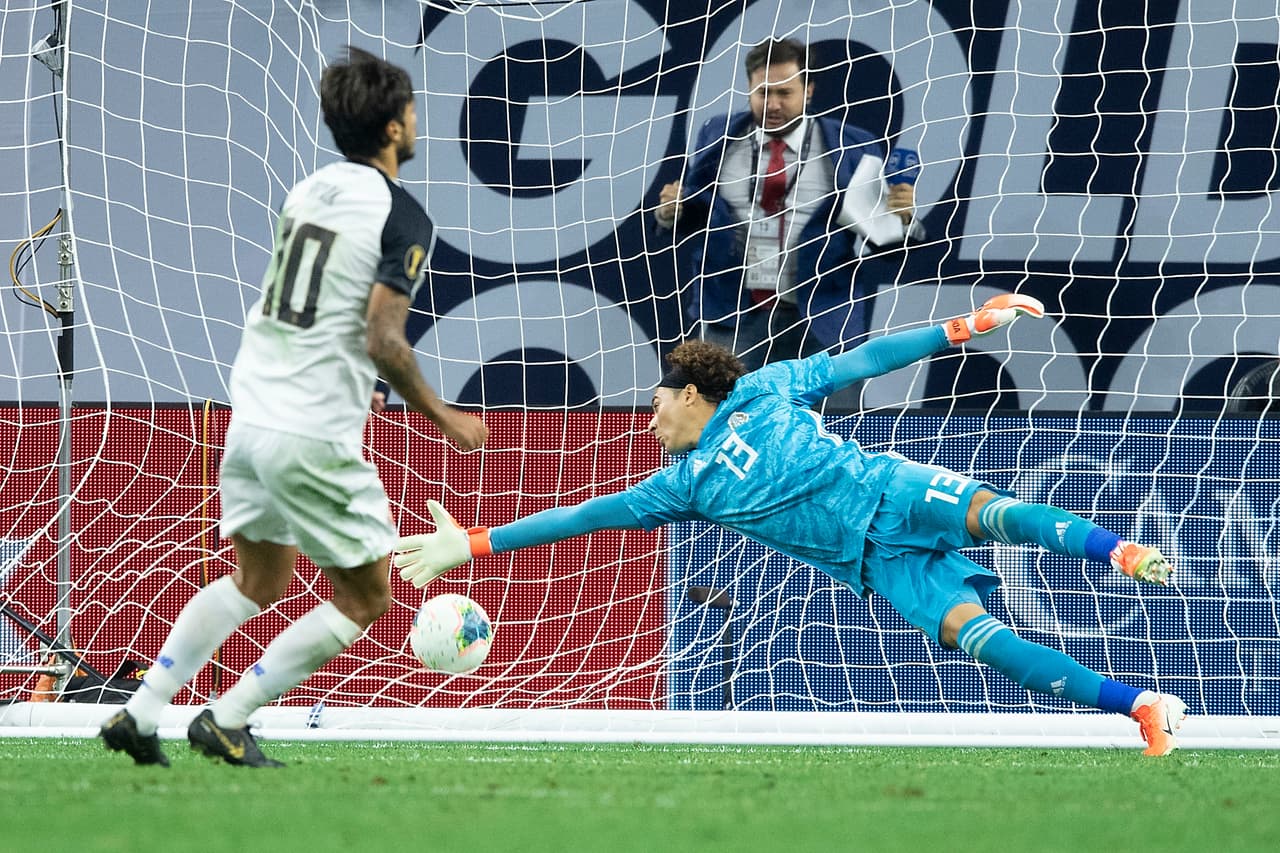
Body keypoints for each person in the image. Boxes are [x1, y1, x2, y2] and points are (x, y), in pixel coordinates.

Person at [395, 292, 1189, 757]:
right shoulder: (682, 488)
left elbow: (864, 360)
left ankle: (1116, 548)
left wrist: (961, 328)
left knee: (996, 513)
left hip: (889, 486)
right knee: (981, 639)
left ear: (692, 395)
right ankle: (1142, 704)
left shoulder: (768, 388)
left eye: (656, 405)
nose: (649, 422)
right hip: (875, 562)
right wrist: (471, 541)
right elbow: (583, 515)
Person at [100, 46, 488, 768]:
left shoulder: (308, 190)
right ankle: (230, 717)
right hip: (312, 432)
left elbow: (322, 311)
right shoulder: (402, 214)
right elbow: (383, 337)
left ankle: (141, 708)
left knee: (258, 580)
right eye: (409, 107)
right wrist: (444, 416)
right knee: (369, 592)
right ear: (396, 127)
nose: (413, 117)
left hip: (252, 416)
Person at [655, 37, 924, 403]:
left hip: (824, 320)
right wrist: (672, 212)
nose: (773, 104)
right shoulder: (717, 136)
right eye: (763, 92)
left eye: (785, 92)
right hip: (732, 316)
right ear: (749, 88)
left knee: (830, 434)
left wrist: (902, 219)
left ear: (808, 90)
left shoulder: (853, 146)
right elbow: (695, 209)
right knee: (719, 431)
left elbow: (886, 247)